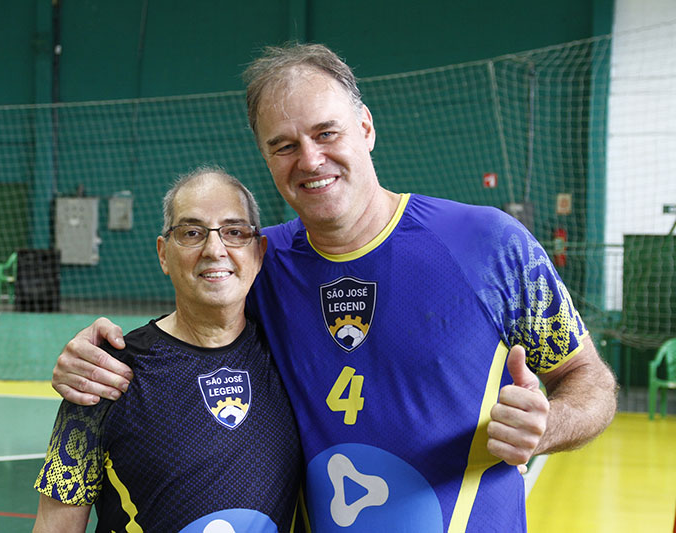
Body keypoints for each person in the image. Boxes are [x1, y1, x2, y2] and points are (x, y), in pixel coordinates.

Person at [51, 44, 618, 531]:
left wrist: (548, 425)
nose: (310, 159)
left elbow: (587, 380)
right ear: (266, 157)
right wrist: (87, 358)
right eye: (284, 145)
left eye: (327, 133)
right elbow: (192, 323)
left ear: (366, 127)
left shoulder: (488, 244)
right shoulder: (261, 261)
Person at [33, 167, 304, 533]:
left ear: (258, 252)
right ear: (163, 254)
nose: (214, 250)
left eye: (234, 232)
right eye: (192, 233)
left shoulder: (293, 356)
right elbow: (55, 526)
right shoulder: (106, 375)